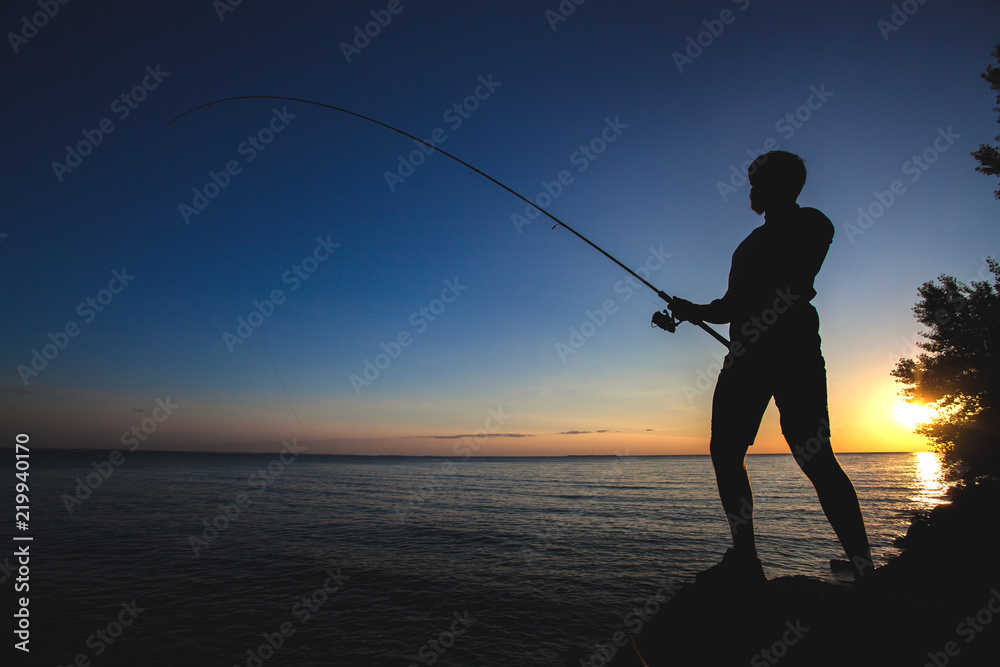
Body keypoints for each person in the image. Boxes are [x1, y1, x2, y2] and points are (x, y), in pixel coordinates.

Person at [669, 150, 873, 586]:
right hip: (743, 358)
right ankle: (746, 559)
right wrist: (694, 311)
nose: (751, 191)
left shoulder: (813, 224)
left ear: (783, 186)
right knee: (725, 453)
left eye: (757, 182)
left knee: (815, 456)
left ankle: (864, 567)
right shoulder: (745, 245)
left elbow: (791, 282)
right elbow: (730, 305)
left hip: (794, 354)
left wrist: (708, 310)